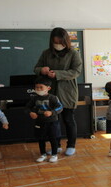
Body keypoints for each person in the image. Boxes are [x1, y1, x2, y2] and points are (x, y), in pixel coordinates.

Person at [34, 27, 82, 156]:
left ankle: (71, 145)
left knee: (68, 119)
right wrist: (42, 71)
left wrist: (57, 74)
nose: (58, 45)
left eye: (60, 42)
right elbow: (36, 68)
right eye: (55, 42)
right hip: (50, 92)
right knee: (53, 121)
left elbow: (76, 71)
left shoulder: (73, 53)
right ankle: (57, 145)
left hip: (67, 91)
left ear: (65, 41)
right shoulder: (46, 53)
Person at [26, 77, 63, 163]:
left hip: (52, 122)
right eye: (36, 87)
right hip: (40, 122)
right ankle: (43, 154)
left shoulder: (53, 98)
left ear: (48, 88)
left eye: (41, 87)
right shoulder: (34, 98)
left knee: (53, 138)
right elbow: (27, 107)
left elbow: (60, 107)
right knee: (41, 139)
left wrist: (52, 112)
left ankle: (54, 155)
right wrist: (30, 113)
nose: (38, 89)